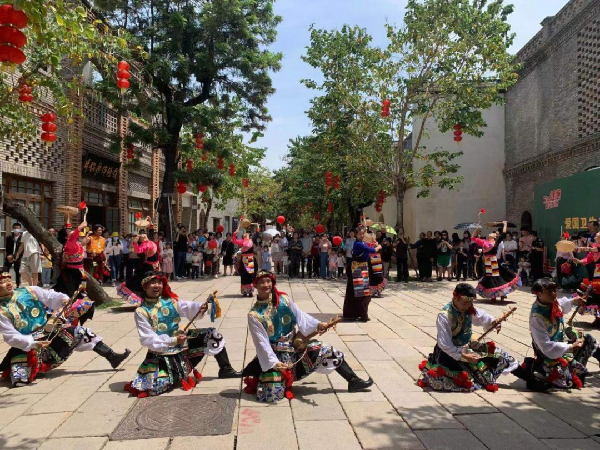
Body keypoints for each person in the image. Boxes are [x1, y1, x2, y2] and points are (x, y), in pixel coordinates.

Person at [241, 271, 373, 402]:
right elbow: (261, 342)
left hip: (295, 348)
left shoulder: (283, 299)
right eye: (261, 282)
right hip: (275, 356)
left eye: (268, 281)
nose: (266, 285)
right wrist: (274, 362)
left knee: (327, 350)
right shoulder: (255, 315)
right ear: (255, 285)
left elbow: (301, 316)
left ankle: (354, 380)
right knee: (272, 395)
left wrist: (317, 324)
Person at [0, 272, 129, 387]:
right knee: (20, 380)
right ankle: (35, 369)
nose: (8, 283)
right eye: (3, 282)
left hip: (49, 332)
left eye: (9, 280)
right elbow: (10, 336)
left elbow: (50, 296)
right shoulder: (2, 311)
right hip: (28, 344)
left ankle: (112, 356)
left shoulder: (29, 290)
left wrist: (62, 300)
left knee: (80, 332)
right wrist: (32, 343)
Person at [124, 271, 241, 397]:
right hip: (161, 354)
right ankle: (175, 373)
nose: (157, 285)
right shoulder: (141, 311)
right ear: (145, 286)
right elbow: (148, 339)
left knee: (212, 335)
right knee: (155, 388)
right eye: (153, 283)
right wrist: (173, 340)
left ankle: (226, 369)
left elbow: (187, 306)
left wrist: (200, 308)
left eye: (159, 282)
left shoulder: (170, 301)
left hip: (181, 344)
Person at [417, 283, 545, 392]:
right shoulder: (445, 316)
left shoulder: (468, 309)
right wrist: (463, 355)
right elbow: (444, 344)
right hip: (450, 354)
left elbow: (482, 317)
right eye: (464, 302)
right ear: (455, 298)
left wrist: (493, 322)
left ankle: (531, 380)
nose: (467, 306)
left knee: (501, 355)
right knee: (467, 378)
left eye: (470, 303)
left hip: (467, 347)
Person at [526, 278, 600, 389]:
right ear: (539, 294)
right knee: (566, 380)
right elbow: (545, 345)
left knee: (588, 339)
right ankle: (539, 365)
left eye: (554, 290)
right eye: (549, 292)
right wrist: (571, 346)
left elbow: (561, 304)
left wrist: (574, 301)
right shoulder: (536, 318)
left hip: (561, 339)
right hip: (547, 351)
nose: (554, 294)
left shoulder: (551, 302)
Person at [471, 222, 521, 302]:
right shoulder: (483, 242)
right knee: (490, 278)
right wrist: (476, 228)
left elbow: (503, 233)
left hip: (494, 262)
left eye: (494, 233)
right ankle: (494, 296)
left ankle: (501, 294)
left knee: (497, 277)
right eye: (492, 233)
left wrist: (505, 224)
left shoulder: (496, 241)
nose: (492, 233)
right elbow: (473, 237)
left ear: (495, 237)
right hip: (487, 262)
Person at [343, 227, 380, 321]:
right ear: (356, 234)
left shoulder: (363, 243)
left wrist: (373, 244)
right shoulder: (358, 244)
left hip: (363, 269)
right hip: (357, 269)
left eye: (363, 233)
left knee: (363, 293)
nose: (362, 235)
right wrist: (378, 247)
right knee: (360, 293)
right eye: (360, 234)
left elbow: (368, 250)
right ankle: (359, 314)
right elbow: (371, 250)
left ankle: (360, 313)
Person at [573, 232, 600, 327]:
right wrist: (579, 261)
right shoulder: (595, 246)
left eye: (597, 236)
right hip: (597, 274)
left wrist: (583, 248)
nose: (595, 237)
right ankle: (598, 319)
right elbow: (588, 259)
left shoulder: (595, 248)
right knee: (595, 296)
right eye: (595, 236)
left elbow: (593, 249)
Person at [232, 228, 256, 296]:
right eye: (245, 234)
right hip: (244, 259)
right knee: (244, 275)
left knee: (250, 275)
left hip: (249, 259)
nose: (246, 235)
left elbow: (247, 245)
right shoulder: (243, 241)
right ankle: (245, 291)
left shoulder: (251, 241)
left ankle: (250, 291)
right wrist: (235, 233)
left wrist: (257, 228)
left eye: (247, 234)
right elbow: (234, 240)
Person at [365, 230, 387, 297]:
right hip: (370, 260)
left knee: (378, 276)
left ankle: (377, 291)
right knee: (371, 275)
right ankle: (373, 292)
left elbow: (382, 244)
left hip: (377, 260)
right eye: (371, 235)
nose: (373, 236)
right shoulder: (366, 243)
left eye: (373, 235)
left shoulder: (376, 242)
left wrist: (379, 246)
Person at [4, 222, 23, 287]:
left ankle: (18, 285)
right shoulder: (9, 237)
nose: (16, 230)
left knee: (17, 271)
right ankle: (4, 284)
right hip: (9, 256)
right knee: (5, 270)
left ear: (20, 229)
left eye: (17, 228)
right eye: (15, 228)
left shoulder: (22, 238)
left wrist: (14, 256)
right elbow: (7, 248)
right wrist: (9, 256)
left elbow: (22, 249)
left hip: (18, 257)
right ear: (13, 229)